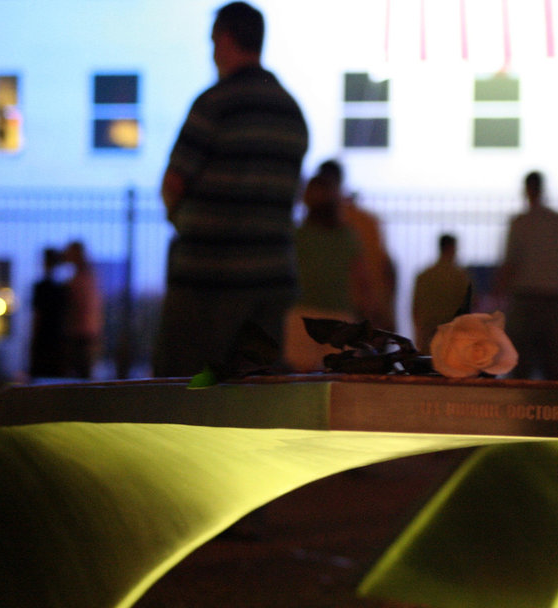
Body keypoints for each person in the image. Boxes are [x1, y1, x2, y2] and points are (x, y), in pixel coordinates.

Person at [154, 1, 309, 377]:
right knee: (255, 395)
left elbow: (173, 184)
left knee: (189, 388)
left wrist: (184, 221)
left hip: (208, 281)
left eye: (212, 42)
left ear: (224, 40)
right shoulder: (291, 112)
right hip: (271, 279)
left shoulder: (214, 104)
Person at [495, 171, 558, 380]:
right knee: (554, 369)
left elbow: (509, 266)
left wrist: (497, 301)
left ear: (526, 190)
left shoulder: (520, 223)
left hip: (524, 302)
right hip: (553, 302)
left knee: (520, 368)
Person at [282, 173, 365, 371]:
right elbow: (362, 281)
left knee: (300, 381)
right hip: (339, 315)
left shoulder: (296, 235)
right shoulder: (348, 236)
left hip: (302, 313)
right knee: (339, 379)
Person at [316, 159, 396, 331]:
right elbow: (380, 267)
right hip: (362, 307)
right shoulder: (366, 221)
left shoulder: (315, 229)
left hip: (335, 307)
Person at [411, 233, 472, 353]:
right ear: (452, 247)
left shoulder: (424, 276)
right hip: (452, 333)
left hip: (428, 332)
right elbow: (468, 307)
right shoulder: (461, 277)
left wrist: (418, 333)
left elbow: (415, 308)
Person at [62, 241, 104, 379]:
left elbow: (80, 307)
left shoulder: (82, 278)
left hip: (82, 333)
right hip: (86, 332)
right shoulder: (86, 276)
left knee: (81, 374)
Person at [29, 246, 68, 378]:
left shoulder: (42, 287)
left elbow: (37, 315)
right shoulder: (62, 288)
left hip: (45, 337)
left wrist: (33, 340)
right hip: (58, 337)